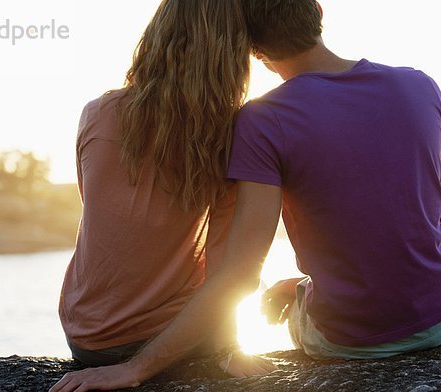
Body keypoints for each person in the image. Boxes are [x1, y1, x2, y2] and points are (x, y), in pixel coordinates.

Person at [51, 0, 441, 390]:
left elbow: (228, 268)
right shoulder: (420, 84)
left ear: (255, 49)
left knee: (291, 296)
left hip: (91, 338)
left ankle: (303, 289)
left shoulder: (103, 114)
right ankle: (303, 289)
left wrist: (132, 367)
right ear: (318, 11)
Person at [51, 1, 275, 390]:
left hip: (86, 338)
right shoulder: (231, 135)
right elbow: (230, 270)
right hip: (166, 341)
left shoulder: (97, 113)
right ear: (234, 57)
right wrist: (231, 346)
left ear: (156, 38)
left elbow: (104, 216)